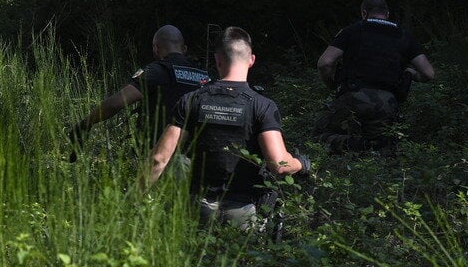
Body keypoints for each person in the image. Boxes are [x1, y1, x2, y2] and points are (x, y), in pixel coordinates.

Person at [147, 27, 303, 230]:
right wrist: (301, 164)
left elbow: (159, 159)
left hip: (197, 209)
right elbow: (280, 164)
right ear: (251, 60)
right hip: (244, 211)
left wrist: (132, 202)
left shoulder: (192, 100)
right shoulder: (262, 105)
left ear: (217, 60)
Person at [67, 25, 211, 160]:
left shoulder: (157, 71)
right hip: (196, 160)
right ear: (184, 48)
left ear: (155, 48)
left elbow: (117, 103)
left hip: (159, 157)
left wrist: (85, 124)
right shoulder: (204, 77)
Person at [314, 0, 435, 152]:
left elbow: (325, 63)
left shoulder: (351, 31)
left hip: (352, 96)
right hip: (388, 102)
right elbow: (429, 73)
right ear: (387, 14)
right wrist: (411, 73)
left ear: (364, 13)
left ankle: (357, 145)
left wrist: (332, 85)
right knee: (382, 140)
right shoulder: (404, 35)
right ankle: (379, 146)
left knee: (319, 136)